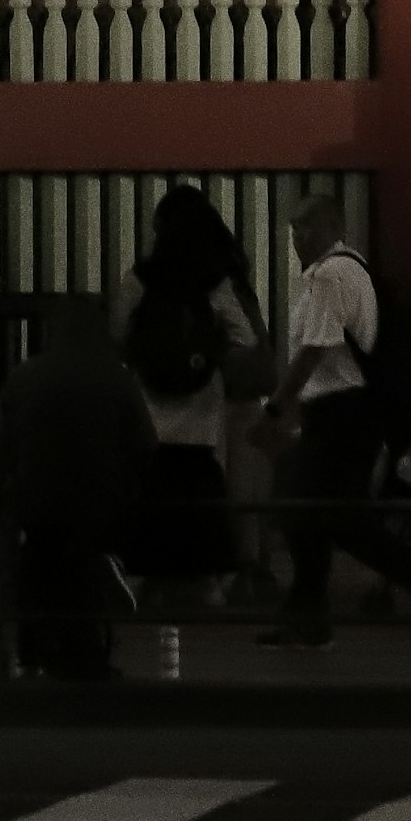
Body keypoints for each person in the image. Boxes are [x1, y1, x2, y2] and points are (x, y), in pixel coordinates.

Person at [253, 196, 411, 648]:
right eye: (293, 231)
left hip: (342, 415)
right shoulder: (349, 271)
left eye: (305, 229)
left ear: (330, 227)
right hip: (348, 413)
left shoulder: (329, 277)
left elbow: (313, 351)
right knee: (321, 516)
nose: (297, 239)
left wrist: (275, 409)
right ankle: (309, 615)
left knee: (323, 515)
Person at [108, 185, 265, 604]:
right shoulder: (214, 278)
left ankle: (144, 575)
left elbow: (117, 334)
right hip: (201, 402)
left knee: (150, 483)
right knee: (202, 483)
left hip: (149, 396)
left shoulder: (140, 277)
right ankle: (207, 578)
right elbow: (246, 338)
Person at [0, 293, 154, 678]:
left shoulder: (26, 376)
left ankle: (33, 646)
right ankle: (86, 649)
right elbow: (145, 444)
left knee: (39, 556)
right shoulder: (117, 377)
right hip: (101, 506)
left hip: (37, 505)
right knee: (85, 560)